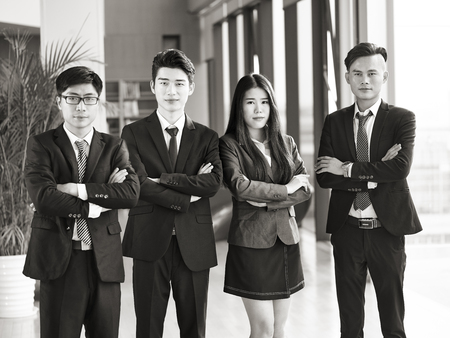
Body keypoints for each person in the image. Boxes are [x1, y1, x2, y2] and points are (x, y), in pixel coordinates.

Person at [23, 66, 140, 338]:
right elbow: (44, 199)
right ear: (59, 101)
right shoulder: (40, 145)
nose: (81, 107)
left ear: (97, 102)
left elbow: (131, 194)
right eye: (72, 98)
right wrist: (98, 203)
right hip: (60, 261)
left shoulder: (114, 146)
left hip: (105, 262)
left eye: (89, 99)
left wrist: (76, 189)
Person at [315, 42, 422, 338]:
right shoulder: (334, 121)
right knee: (350, 322)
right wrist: (377, 172)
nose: (365, 80)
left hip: (386, 230)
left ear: (384, 77)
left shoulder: (402, 119)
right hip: (346, 230)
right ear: (347, 77)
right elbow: (325, 177)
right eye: (357, 73)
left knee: (392, 321)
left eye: (372, 73)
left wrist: (347, 168)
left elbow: (400, 169)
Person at [121, 49, 222, 338]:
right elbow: (138, 183)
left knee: (195, 329)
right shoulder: (133, 133)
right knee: (148, 328)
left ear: (190, 87)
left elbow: (213, 183)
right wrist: (188, 193)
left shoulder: (206, 137)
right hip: (148, 240)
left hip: (195, 243)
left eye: (179, 83)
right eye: (163, 82)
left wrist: (163, 179)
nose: (171, 91)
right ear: (152, 86)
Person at [219, 73, 312, 338]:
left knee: (279, 329)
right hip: (250, 243)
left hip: (285, 241)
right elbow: (239, 187)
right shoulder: (229, 145)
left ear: (272, 106)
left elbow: (305, 188)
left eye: (264, 102)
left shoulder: (287, 143)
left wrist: (265, 199)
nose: (258, 109)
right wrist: (285, 189)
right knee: (260, 329)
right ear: (239, 106)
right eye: (250, 102)